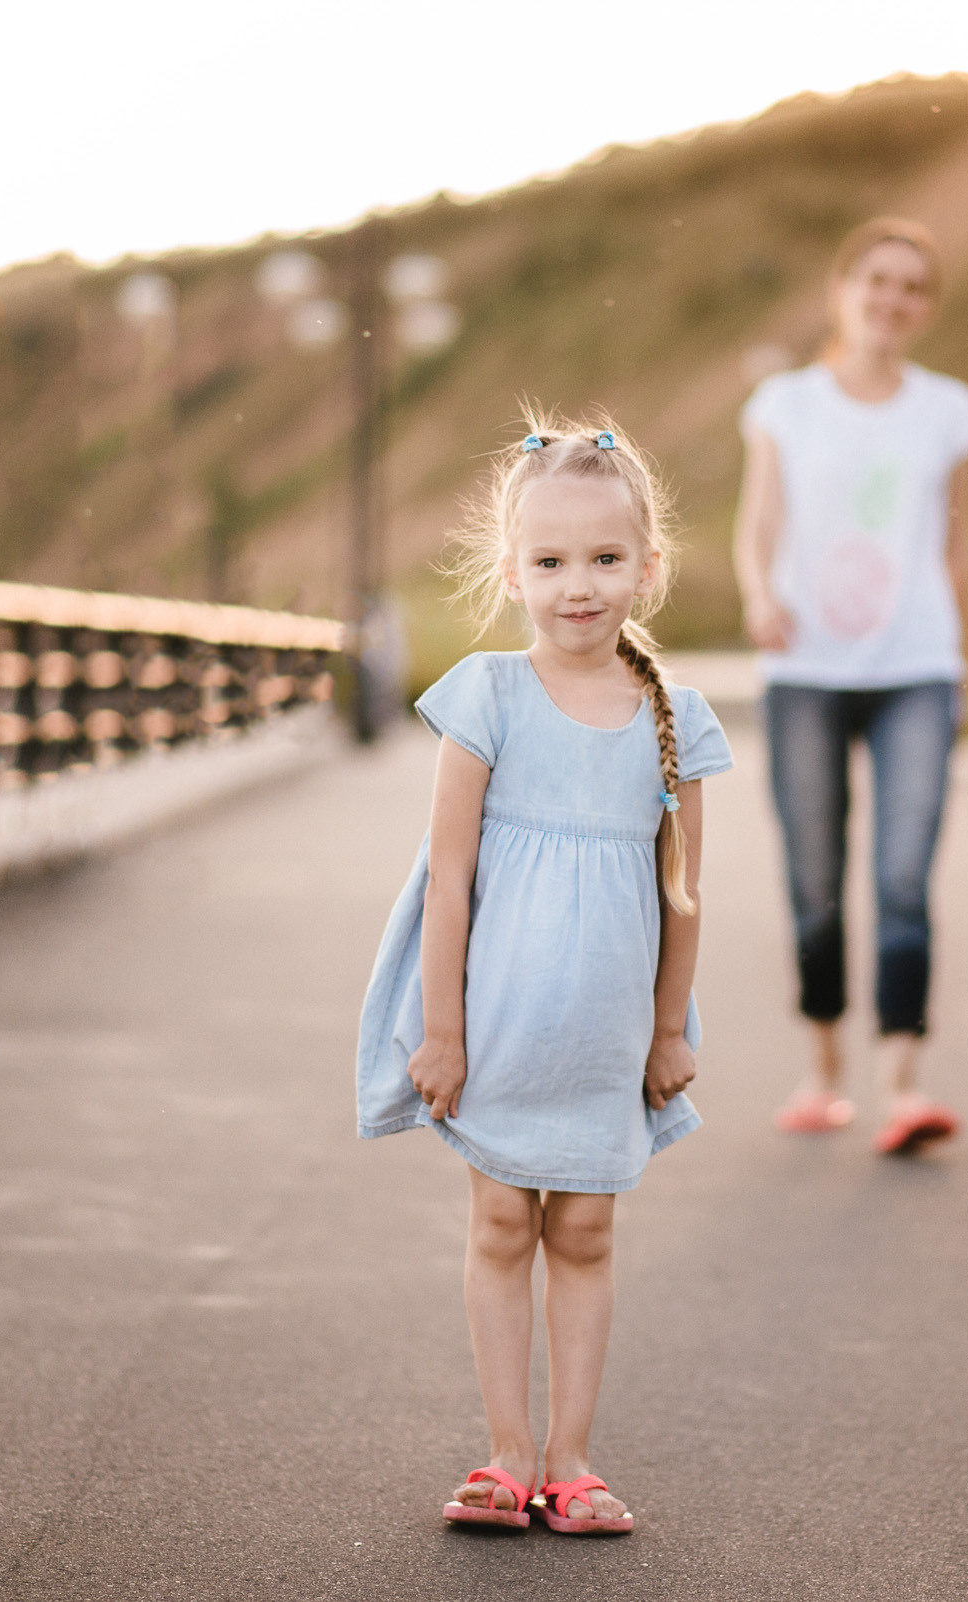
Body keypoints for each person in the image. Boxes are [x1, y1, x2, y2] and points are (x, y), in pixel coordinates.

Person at [355, 416, 732, 1535]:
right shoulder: (487, 699)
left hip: (606, 1039)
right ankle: (508, 1451)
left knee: (586, 1234)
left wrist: (670, 1032)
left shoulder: (677, 723)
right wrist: (442, 1030)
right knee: (502, 1227)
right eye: (552, 561)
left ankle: (573, 1457)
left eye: (607, 560)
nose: (580, 586)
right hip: (499, 1027)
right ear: (513, 570)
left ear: (647, 570)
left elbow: (682, 897)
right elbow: (449, 882)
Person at [731, 216, 968, 1155]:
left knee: (905, 877)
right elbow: (759, 520)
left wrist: (964, 663)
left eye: (914, 287)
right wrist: (760, 594)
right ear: (843, 290)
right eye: (878, 280)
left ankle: (903, 1085)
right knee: (816, 879)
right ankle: (823, 1070)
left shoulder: (947, 410)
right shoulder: (786, 405)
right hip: (805, 667)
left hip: (918, 664)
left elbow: (957, 545)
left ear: (927, 309)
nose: (894, 300)